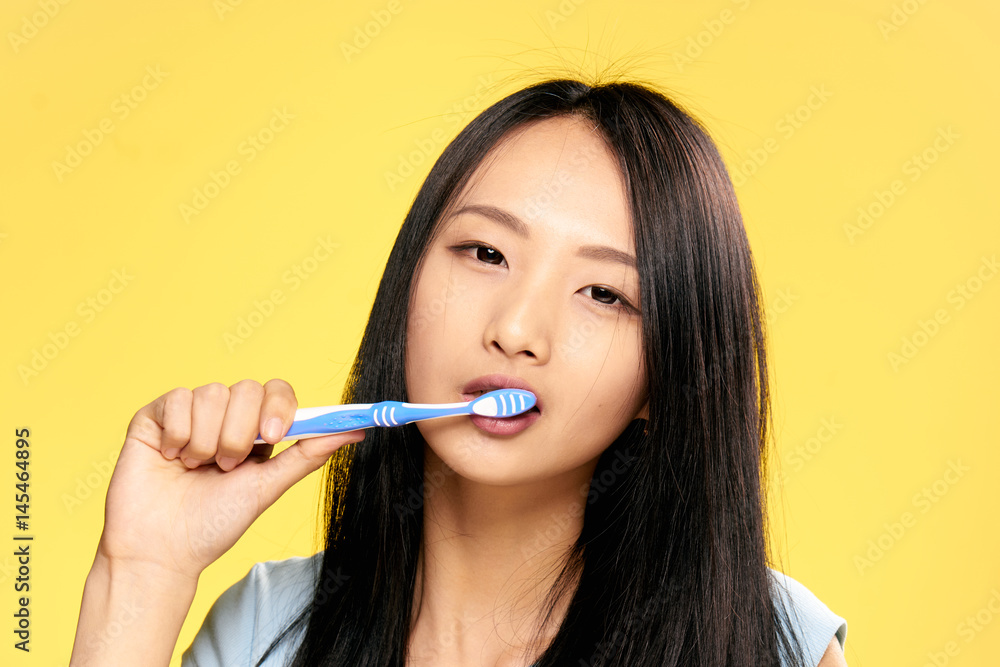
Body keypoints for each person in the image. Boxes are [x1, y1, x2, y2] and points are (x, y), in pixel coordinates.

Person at [69, 77, 848, 666]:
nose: (514, 330)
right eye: (486, 253)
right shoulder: (265, 630)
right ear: (410, 277)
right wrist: (141, 571)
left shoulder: (765, 643)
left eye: (605, 294)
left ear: (667, 376)